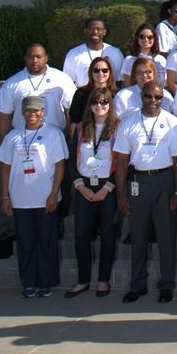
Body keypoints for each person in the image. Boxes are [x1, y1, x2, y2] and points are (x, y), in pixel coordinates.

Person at [112, 82, 177, 303]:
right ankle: (138, 285)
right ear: (141, 96)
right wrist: (120, 194)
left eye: (158, 97)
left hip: (164, 181)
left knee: (166, 236)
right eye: (148, 96)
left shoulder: (173, 124)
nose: (153, 101)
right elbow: (121, 161)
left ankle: (166, 284)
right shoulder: (128, 123)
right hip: (138, 181)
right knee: (138, 235)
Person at [0, 95, 67, 297]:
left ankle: (46, 282)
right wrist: (5, 197)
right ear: (23, 112)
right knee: (25, 243)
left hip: (45, 198)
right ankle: (28, 283)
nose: (32, 114)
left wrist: (54, 193)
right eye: (28, 110)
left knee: (46, 242)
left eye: (36, 110)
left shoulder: (53, 134)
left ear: (42, 112)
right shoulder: (13, 136)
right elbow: (5, 168)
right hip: (20, 200)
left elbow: (60, 165)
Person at [65, 86, 117, 298]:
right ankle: (83, 280)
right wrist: (80, 186)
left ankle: (103, 280)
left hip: (108, 188)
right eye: (95, 101)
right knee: (81, 235)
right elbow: (71, 160)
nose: (99, 106)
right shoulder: (80, 128)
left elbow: (123, 161)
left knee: (108, 235)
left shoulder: (118, 128)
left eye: (104, 101)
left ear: (110, 104)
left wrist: (107, 187)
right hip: (84, 187)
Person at [0, 43, 77, 139]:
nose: (35, 60)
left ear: (46, 58)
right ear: (25, 58)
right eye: (31, 57)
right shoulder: (12, 83)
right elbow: (3, 115)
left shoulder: (62, 79)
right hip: (21, 140)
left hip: (55, 139)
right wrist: (6, 143)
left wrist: (72, 140)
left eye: (39, 57)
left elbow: (71, 111)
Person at [62, 17, 126, 88]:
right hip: (83, 93)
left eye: (99, 29)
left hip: (109, 93)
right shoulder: (73, 54)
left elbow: (120, 80)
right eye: (91, 29)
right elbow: (68, 81)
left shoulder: (116, 53)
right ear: (86, 31)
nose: (95, 32)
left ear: (104, 32)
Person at [68, 55, 118, 130]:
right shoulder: (80, 94)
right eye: (96, 70)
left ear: (110, 72)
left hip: (111, 133)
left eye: (104, 70)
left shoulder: (117, 94)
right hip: (85, 134)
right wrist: (75, 137)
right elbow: (74, 121)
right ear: (91, 72)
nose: (100, 73)